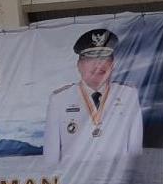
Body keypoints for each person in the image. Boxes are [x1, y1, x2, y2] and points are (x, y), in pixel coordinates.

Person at [44, 28, 142, 162]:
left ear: (112, 64)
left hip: (115, 178)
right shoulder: (59, 99)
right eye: (91, 58)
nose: (98, 65)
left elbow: (135, 148)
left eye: (104, 58)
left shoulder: (128, 95)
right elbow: (51, 152)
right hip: (74, 178)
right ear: (79, 65)